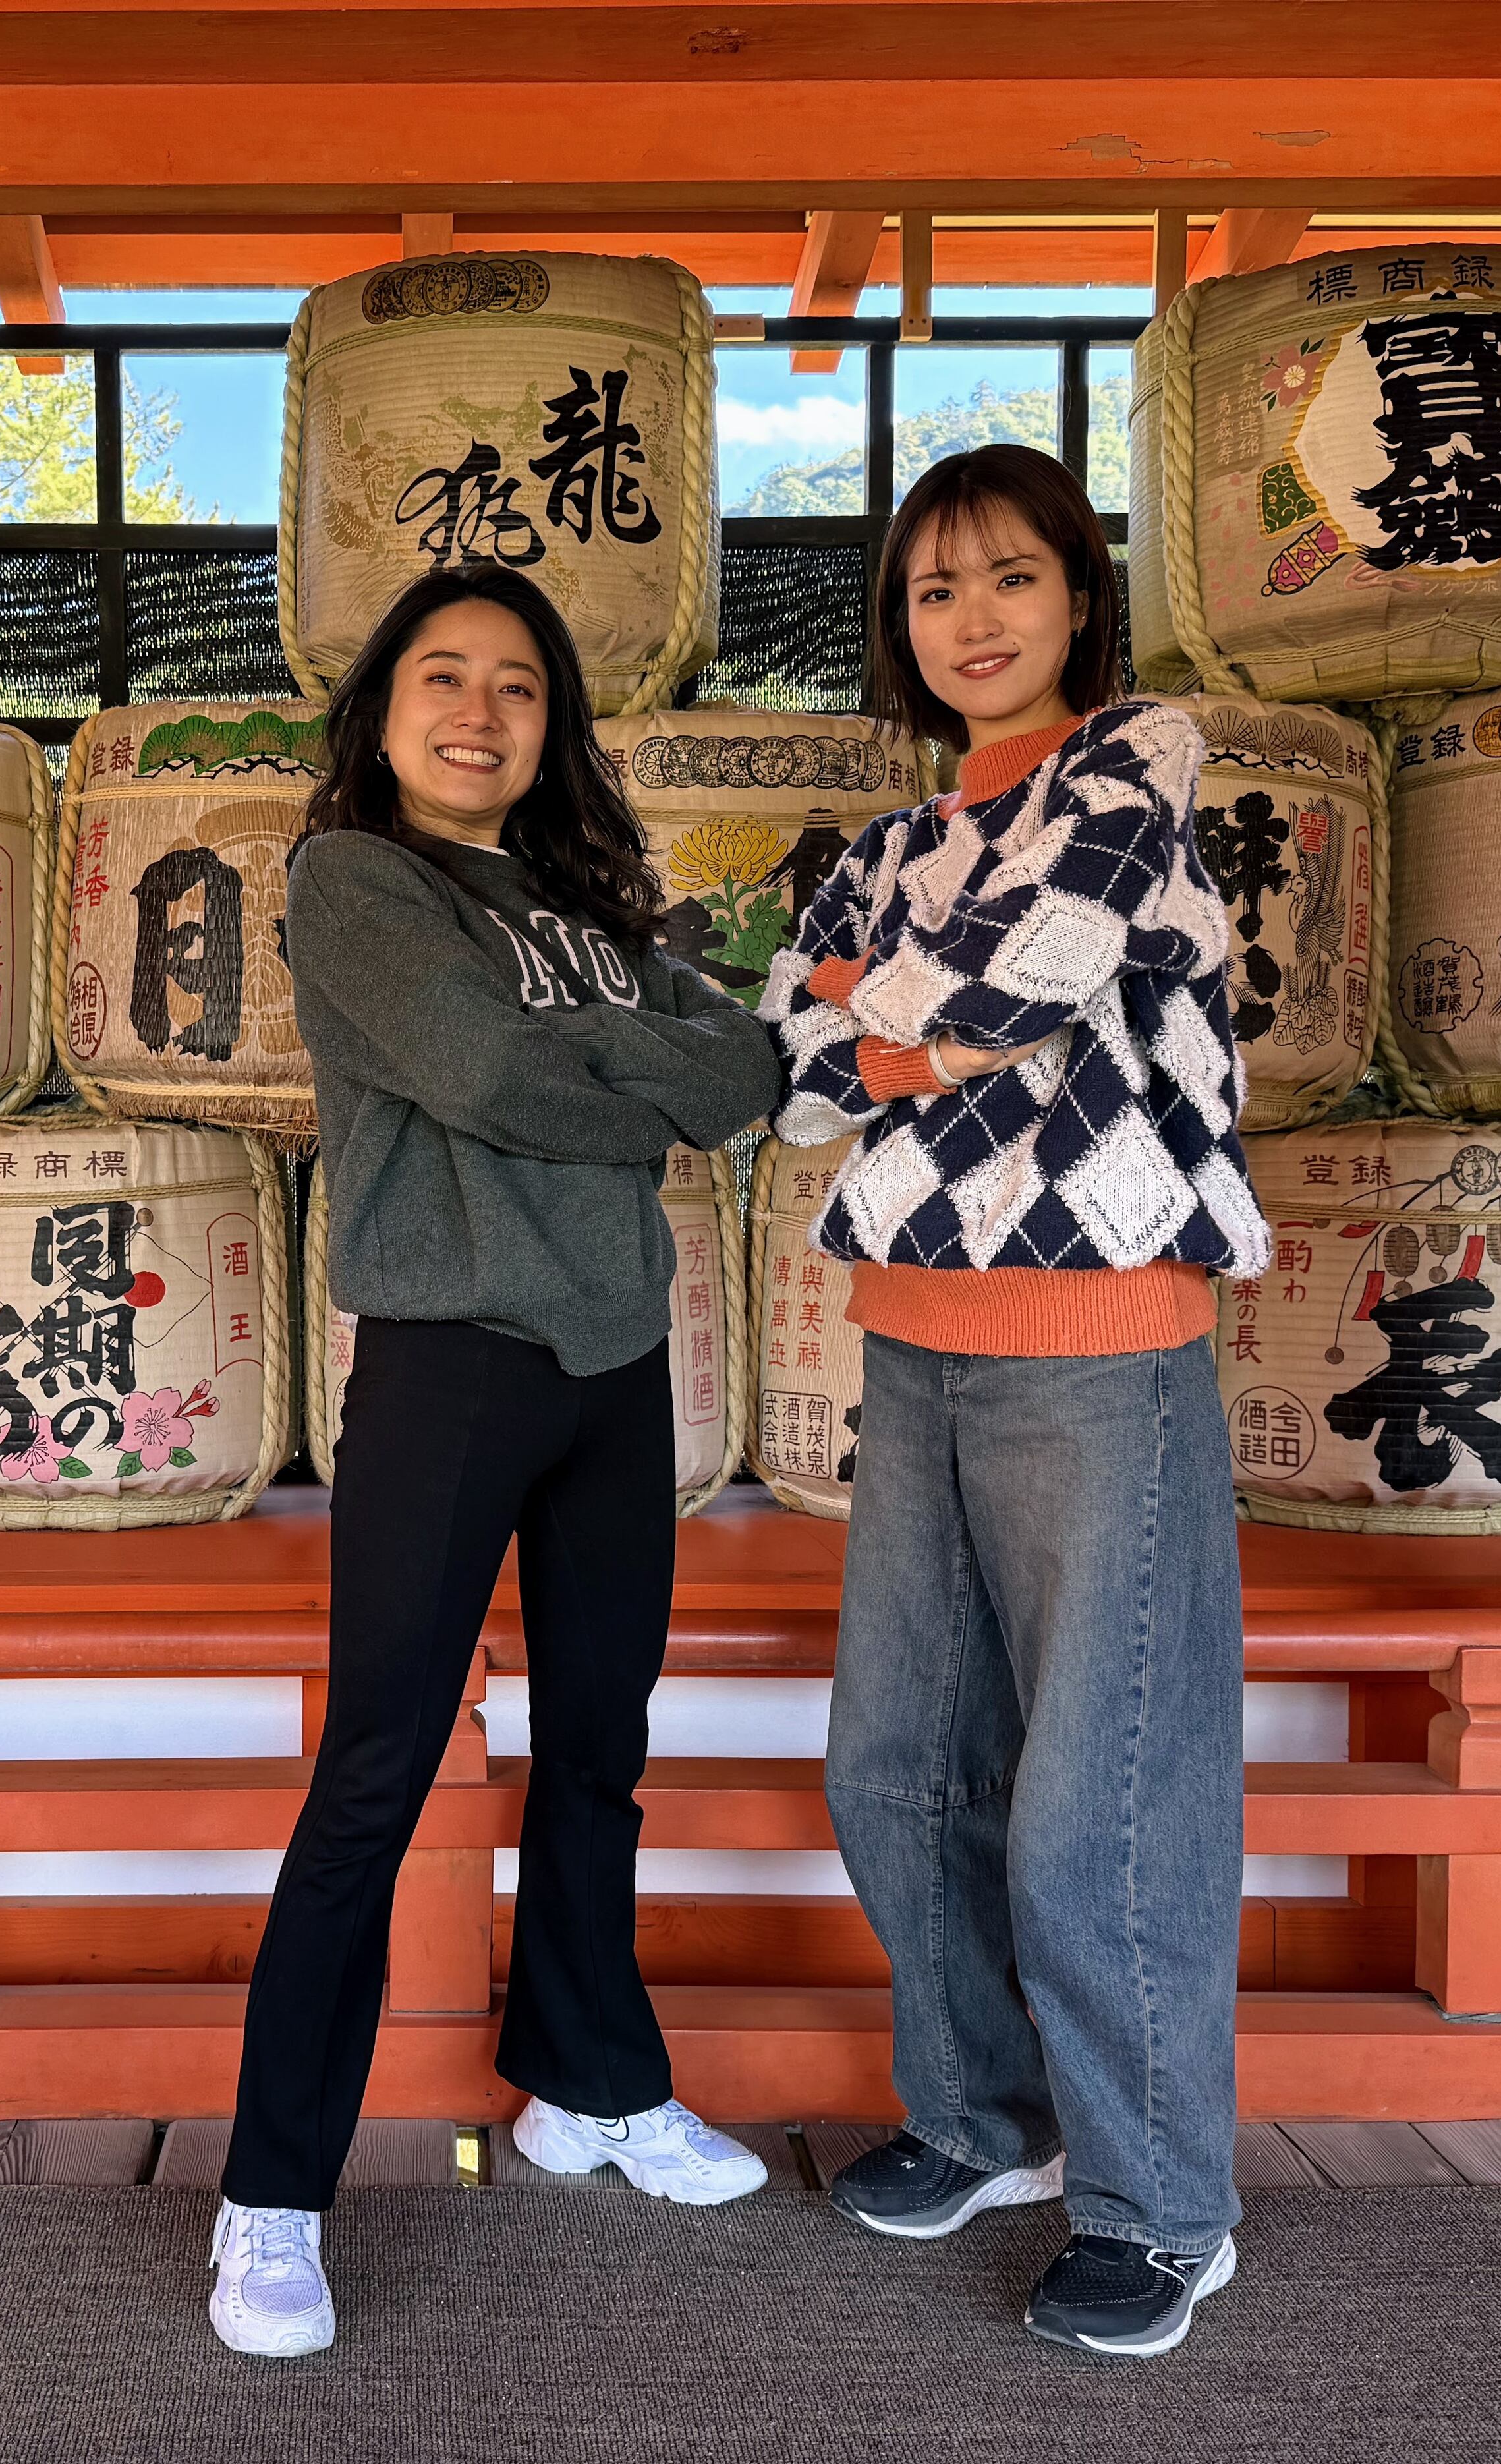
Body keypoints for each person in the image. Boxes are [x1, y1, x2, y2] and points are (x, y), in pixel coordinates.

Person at [206, 565, 786, 2359]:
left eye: (518, 687)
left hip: (616, 1367)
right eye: (442, 679)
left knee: (600, 1752)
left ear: (555, 726)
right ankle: (272, 2200)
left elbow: (750, 1062)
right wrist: (640, 1054)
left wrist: (614, 1043)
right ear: (381, 712)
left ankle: (587, 2085)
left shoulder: (584, 904)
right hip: (451, 1366)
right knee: (376, 1772)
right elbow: (483, 1074)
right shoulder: (353, 881)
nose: (480, 712)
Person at [763, 443, 1270, 2360]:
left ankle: (1163, 2207)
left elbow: (1019, 978)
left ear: (1081, 599)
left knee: (1100, 1809)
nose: (971, 622)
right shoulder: (890, 840)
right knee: (899, 1762)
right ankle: (984, 2121)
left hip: (1104, 1343)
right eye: (931, 592)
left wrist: (888, 1011)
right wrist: (890, 1016)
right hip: (920, 1337)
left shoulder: (1137, 773)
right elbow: (796, 1062)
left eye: (1010, 581)